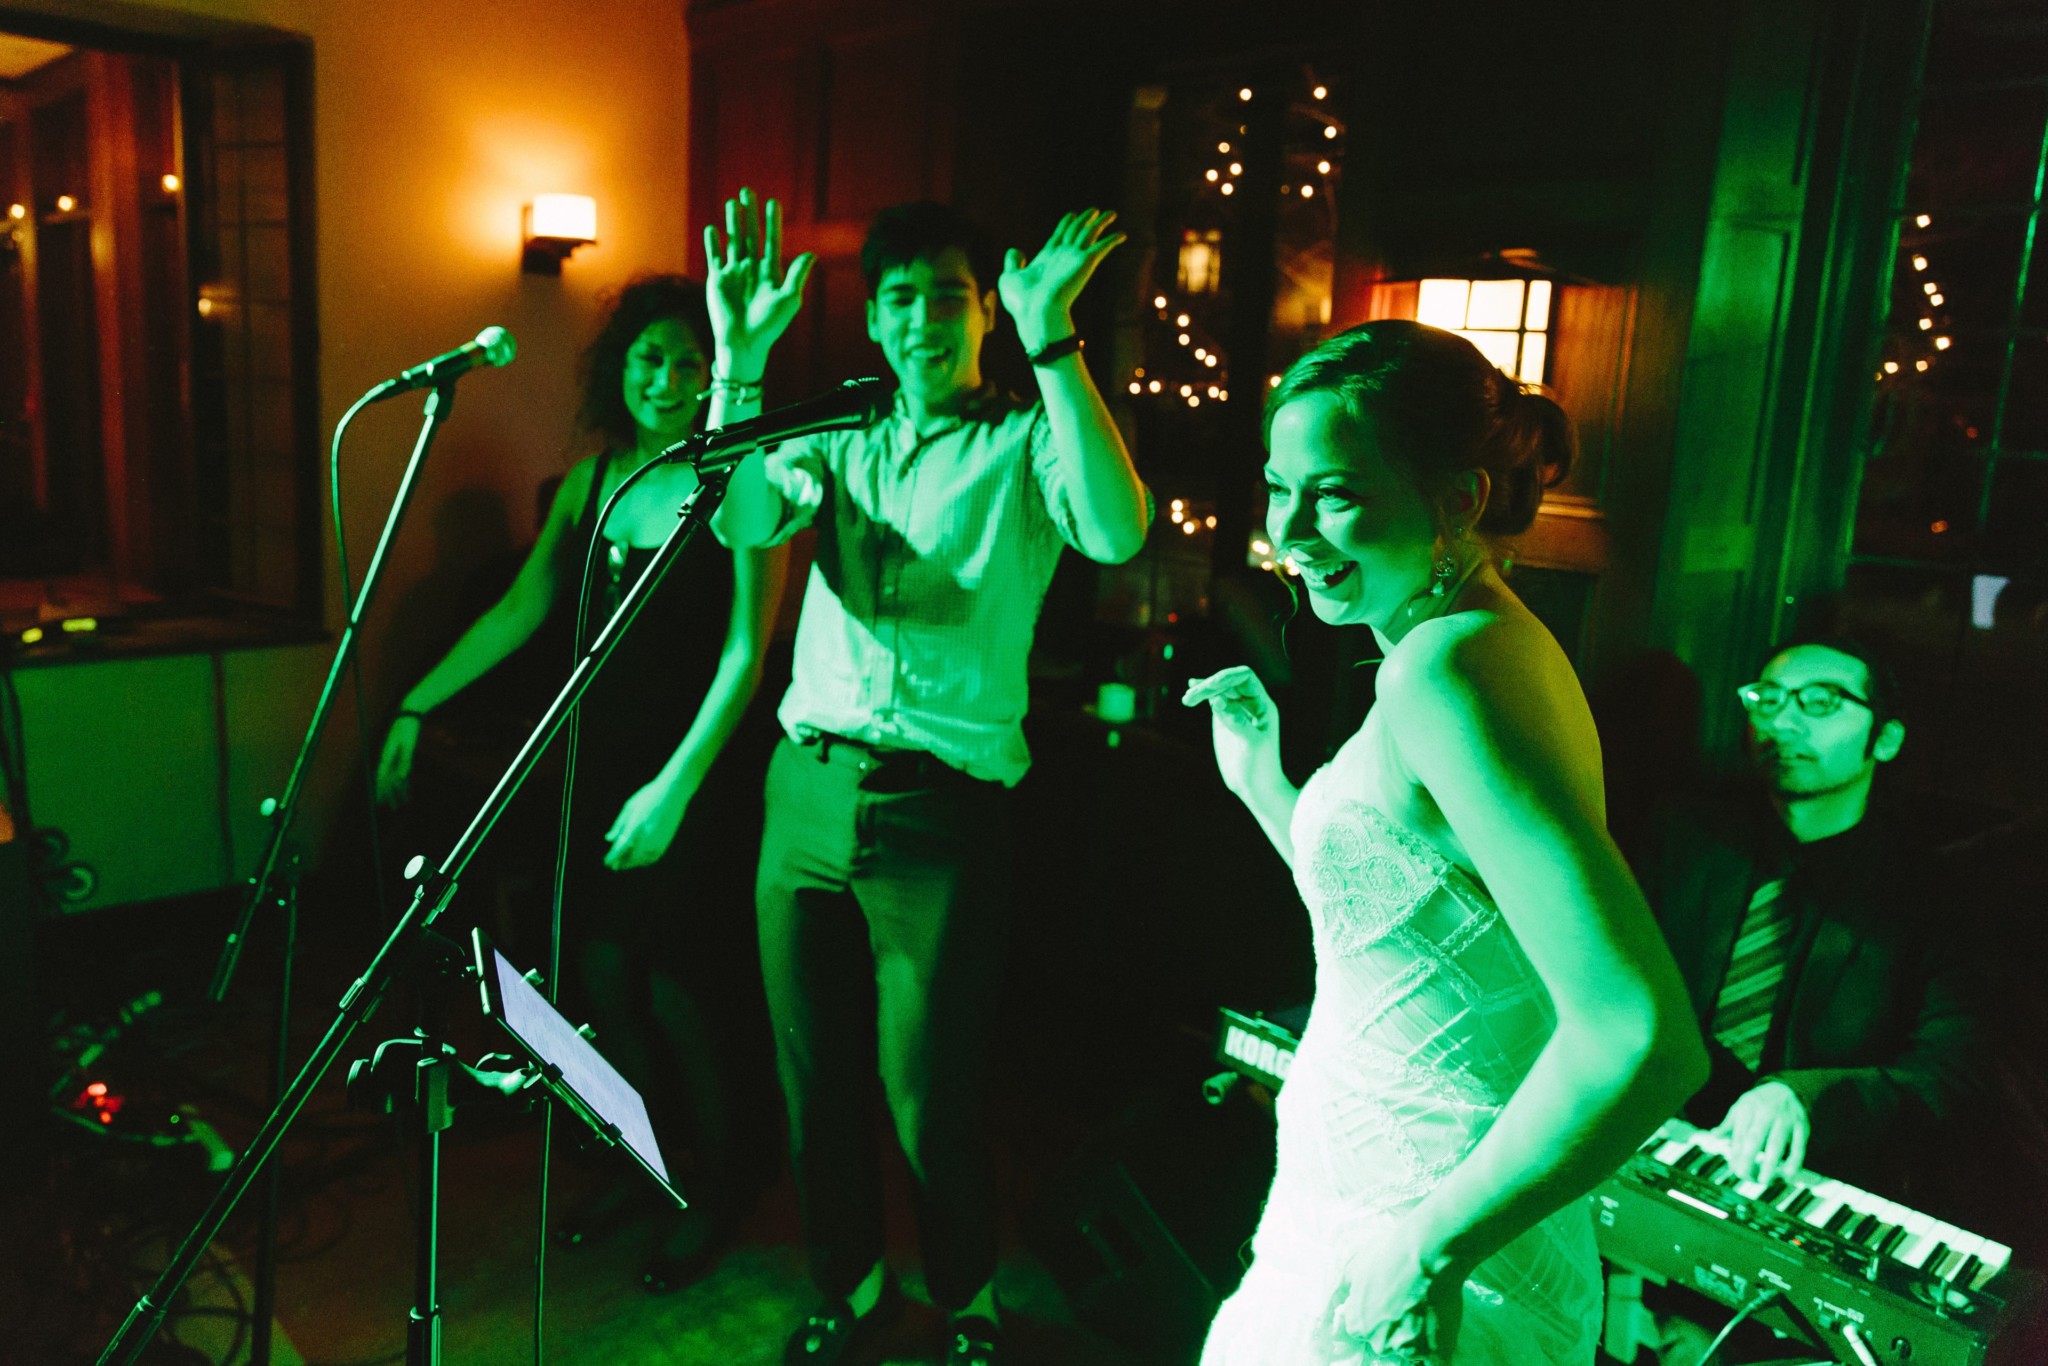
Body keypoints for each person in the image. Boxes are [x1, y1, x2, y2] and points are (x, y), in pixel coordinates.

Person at [1184, 319, 1706, 1364]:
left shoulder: (1447, 672)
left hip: (1407, 1235)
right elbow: (1421, 927)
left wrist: (1427, 1250)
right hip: (1352, 1210)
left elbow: (1641, 1036)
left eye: (1334, 493)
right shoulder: (1470, 650)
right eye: (1278, 488)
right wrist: (1264, 786)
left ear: (1458, 499)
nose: (1291, 531)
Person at [708, 197, 1150, 1366]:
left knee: (926, 1094)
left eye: (945, 297)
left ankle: (967, 1302)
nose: (920, 320)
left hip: (942, 809)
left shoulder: (1024, 437)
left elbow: (1115, 532)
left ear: (982, 313)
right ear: (871, 319)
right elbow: (742, 520)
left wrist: (1053, 338)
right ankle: (846, 1290)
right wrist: (737, 365)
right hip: (806, 787)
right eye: (897, 298)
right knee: (811, 1076)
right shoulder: (838, 433)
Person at [375, 270, 795, 1290]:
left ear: (716, 374)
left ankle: (722, 1180)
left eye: (691, 362)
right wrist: (416, 703)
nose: (669, 379)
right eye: (651, 358)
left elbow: (747, 652)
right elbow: (522, 610)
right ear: (621, 368)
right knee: (600, 975)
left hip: (698, 771)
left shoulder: (743, 476)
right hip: (599, 765)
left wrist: (675, 788)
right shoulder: (593, 478)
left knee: (682, 984)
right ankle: (643, 1160)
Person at [1624, 636, 1992, 1363]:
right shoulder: (1683, 835)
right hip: (1653, 1160)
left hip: (1815, 1195)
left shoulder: (1937, 895)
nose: (1784, 722)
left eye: (1821, 703)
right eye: (1768, 699)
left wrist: (1804, 1096)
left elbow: (1953, 1075)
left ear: (1885, 738)